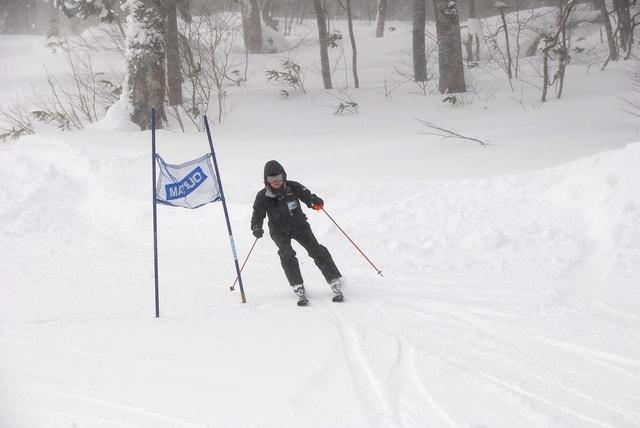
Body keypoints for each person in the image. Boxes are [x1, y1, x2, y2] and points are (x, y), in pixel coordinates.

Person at [251, 160, 343, 306]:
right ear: (266, 181)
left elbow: (307, 196)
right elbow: (258, 213)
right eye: (272, 179)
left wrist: (314, 201)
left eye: (279, 178)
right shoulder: (262, 196)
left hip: (299, 225)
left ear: (284, 177)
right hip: (278, 231)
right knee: (286, 253)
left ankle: (333, 278)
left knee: (315, 249)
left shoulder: (293, 187)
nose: (276, 182)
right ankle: (297, 285)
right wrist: (256, 226)